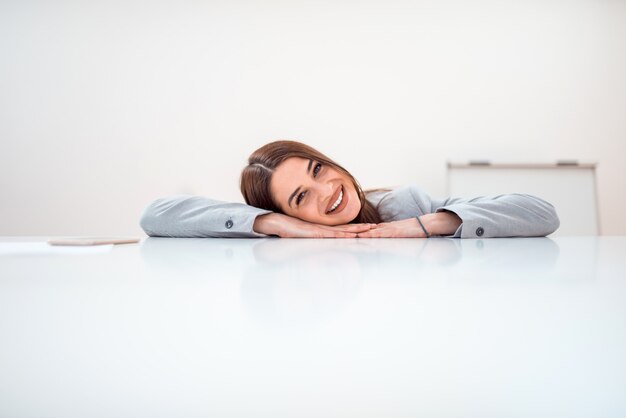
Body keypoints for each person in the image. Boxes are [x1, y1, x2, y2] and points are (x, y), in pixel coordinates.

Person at [139, 140, 560, 238]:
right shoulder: (275, 230)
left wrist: (416, 226)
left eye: (318, 169)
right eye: (300, 196)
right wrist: (288, 228)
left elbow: (541, 213)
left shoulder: (401, 204)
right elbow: (156, 215)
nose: (327, 190)